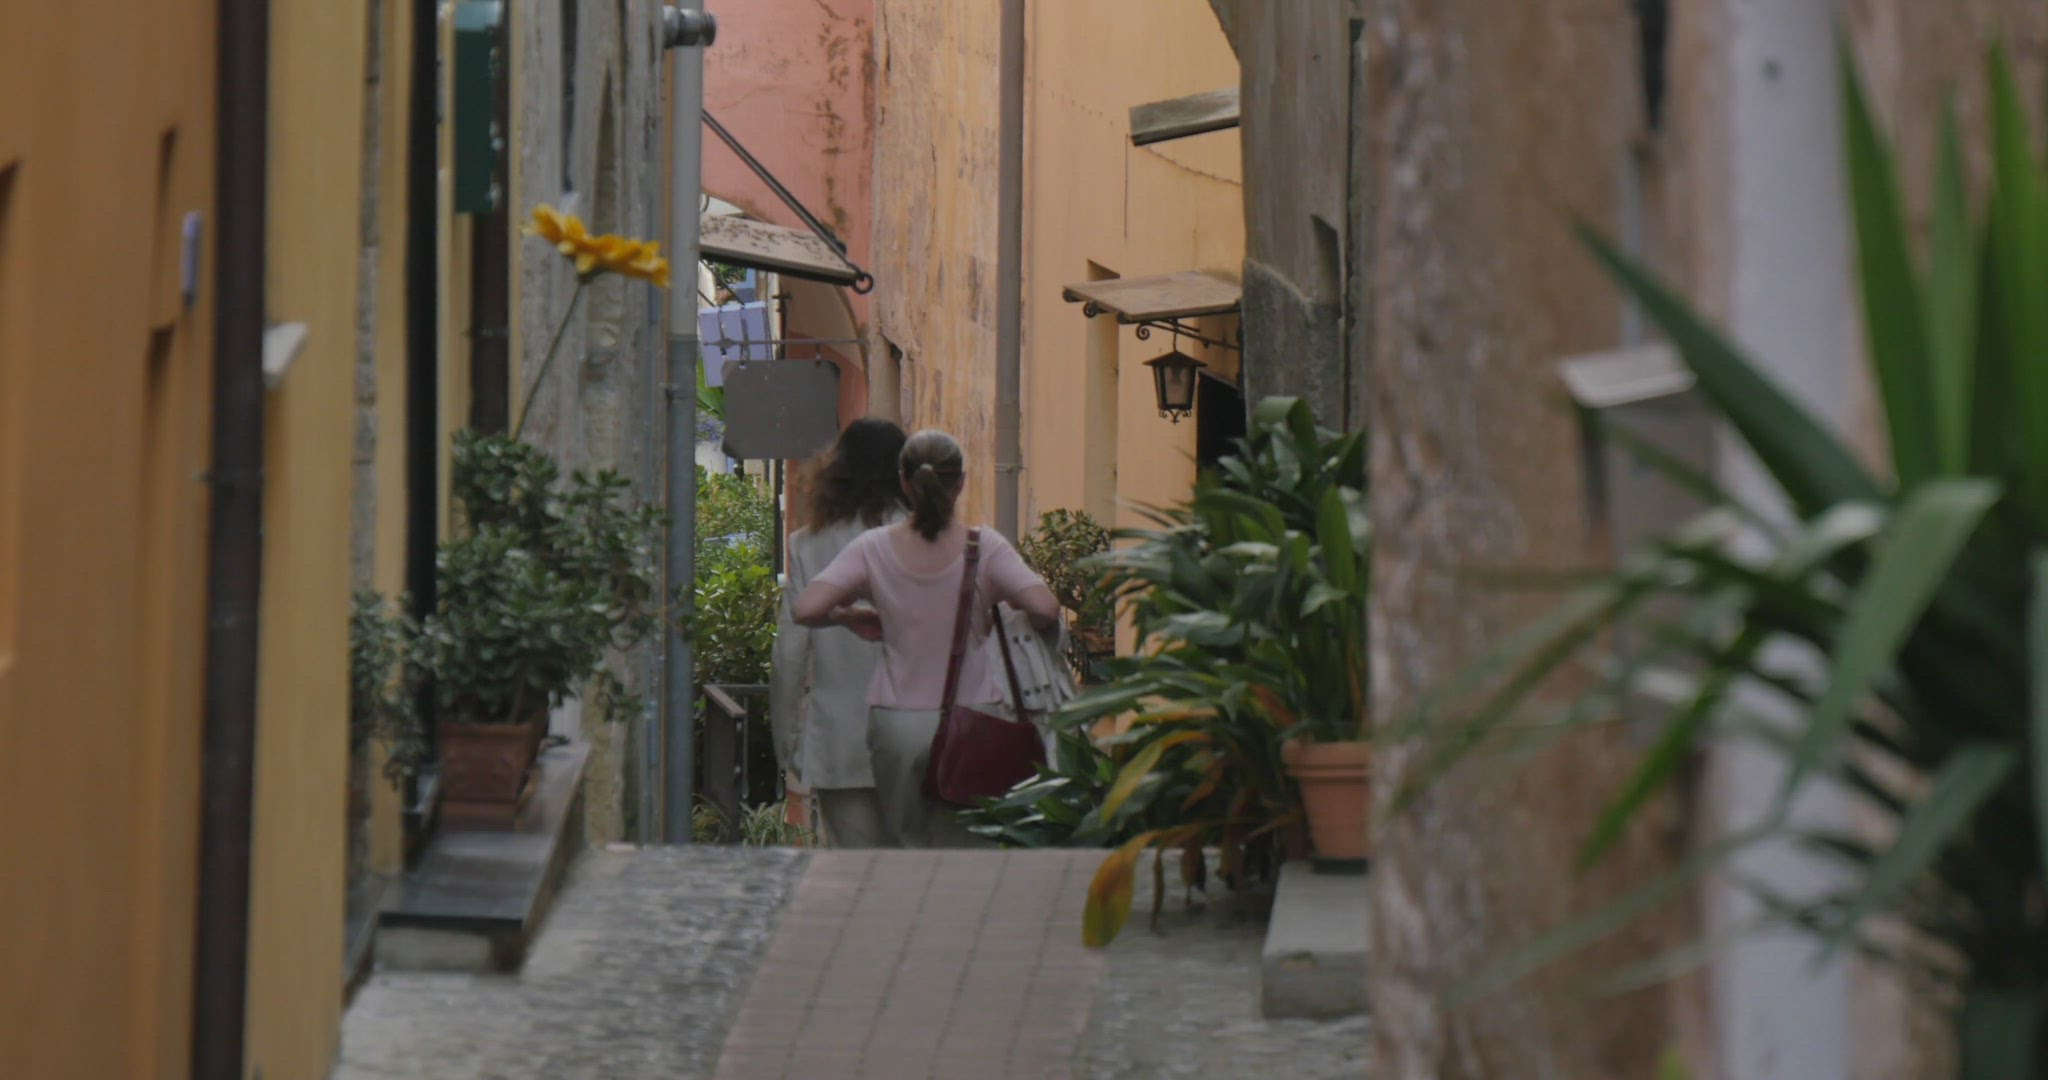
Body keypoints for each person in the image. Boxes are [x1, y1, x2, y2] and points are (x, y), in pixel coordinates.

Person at [792, 428, 1061, 847]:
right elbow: (1045, 608)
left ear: (904, 481)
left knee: (905, 845)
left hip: (897, 720)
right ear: (961, 482)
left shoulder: (872, 547)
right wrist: (1002, 608)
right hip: (974, 714)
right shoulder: (985, 547)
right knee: (968, 846)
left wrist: (850, 617)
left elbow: (807, 608)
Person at [770, 418, 909, 848]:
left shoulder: (808, 545)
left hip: (840, 738)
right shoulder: (931, 542)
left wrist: (788, 742)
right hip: (920, 736)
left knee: (857, 870)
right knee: (918, 870)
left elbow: (790, 653)